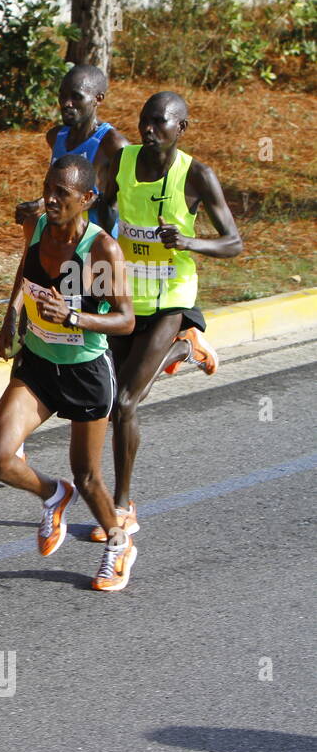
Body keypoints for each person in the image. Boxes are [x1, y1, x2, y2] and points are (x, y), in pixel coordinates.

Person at [0, 155, 137, 591]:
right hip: (37, 365)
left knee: (88, 476)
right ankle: (53, 493)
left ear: (87, 199)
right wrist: (11, 316)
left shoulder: (101, 249)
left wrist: (74, 317)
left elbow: (124, 320)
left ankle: (119, 542)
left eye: (61, 193)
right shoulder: (37, 226)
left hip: (85, 371)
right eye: (48, 187)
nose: (49, 198)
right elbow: (23, 273)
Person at [91, 91, 243, 540]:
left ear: (182, 128)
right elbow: (99, 202)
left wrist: (190, 242)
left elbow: (233, 242)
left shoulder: (196, 175)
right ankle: (186, 346)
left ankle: (122, 506)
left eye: (160, 123)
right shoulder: (121, 160)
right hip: (125, 295)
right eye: (144, 122)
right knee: (106, 402)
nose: (149, 130)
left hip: (172, 296)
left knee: (125, 404)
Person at [15, 64, 129, 234]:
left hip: (94, 242)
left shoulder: (112, 144)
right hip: (62, 238)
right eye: (62, 95)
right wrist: (37, 206)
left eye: (76, 97)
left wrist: (41, 205)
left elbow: (117, 200)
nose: (66, 103)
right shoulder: (56, 137)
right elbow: (62, 188)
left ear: (98, 99)